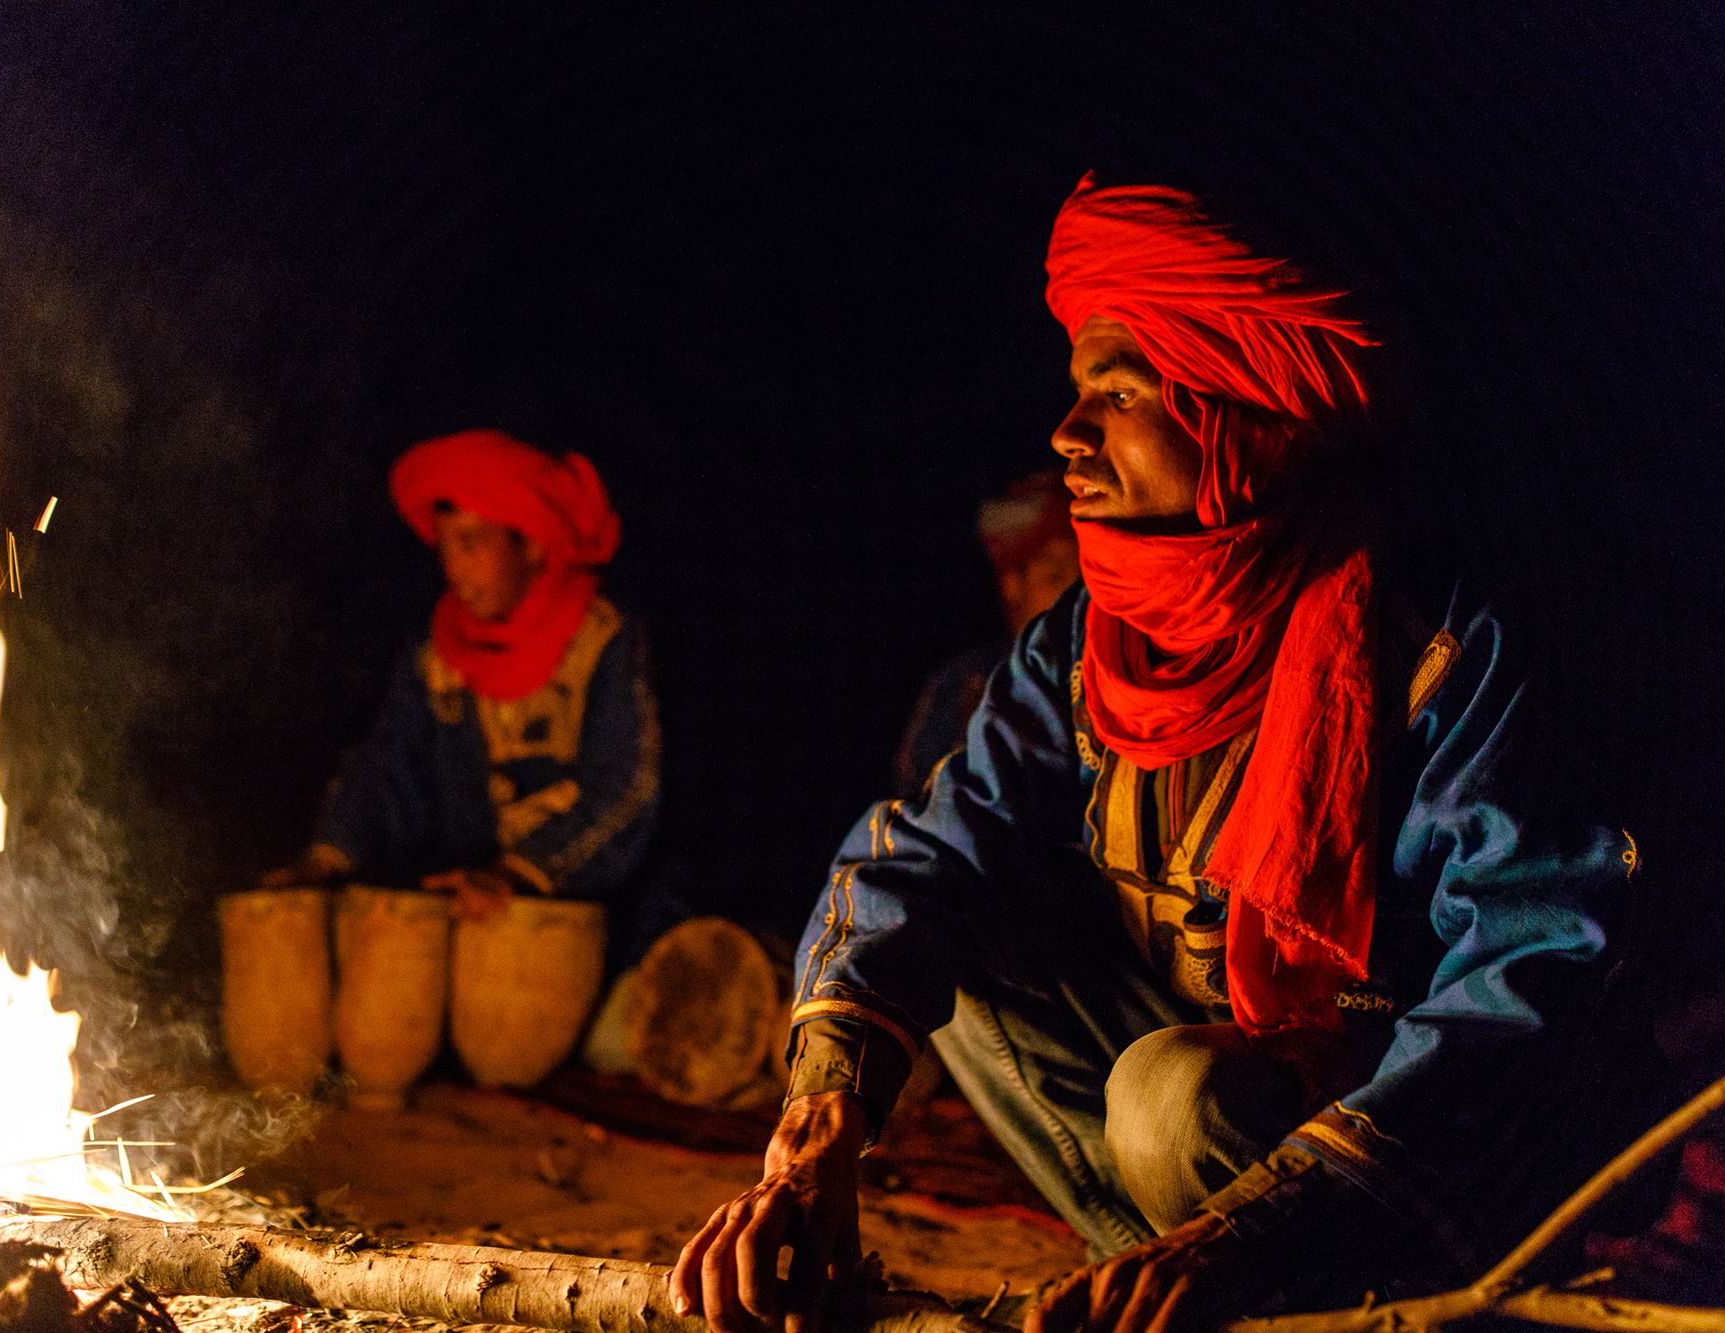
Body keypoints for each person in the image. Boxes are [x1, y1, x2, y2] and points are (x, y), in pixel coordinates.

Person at [670, 176, 1640, 1332]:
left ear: (1253, 421)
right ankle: (1166, 1288)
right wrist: (811, 1134)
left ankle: (1281, 1285)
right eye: (1076, 393)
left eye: (1116, 394)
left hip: (1410, 1160)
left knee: (1169, 1099)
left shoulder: (1439, 652)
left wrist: (1258, 1224)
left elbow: (1533, 970)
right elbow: (918, 858)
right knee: (948, 956)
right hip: (1195, 1126)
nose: (1065, 434)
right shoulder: (1085, 647)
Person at [266, 429, 659, 920]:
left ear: (533, 545)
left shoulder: (603, 640)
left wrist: (520, 873)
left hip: (600, 919)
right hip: (471, 907)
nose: (453, 568)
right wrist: (327, 857)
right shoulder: (437, 657)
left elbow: (627, 787)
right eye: (444, 548)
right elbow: (388, 767)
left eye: (471, 544)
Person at [892, 469, 1078, 796]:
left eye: (1088, 574)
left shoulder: (1112, 675)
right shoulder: (965, 685)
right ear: (1012, 585)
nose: (1076, 592)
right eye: (1056, 574)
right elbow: (917, 800)